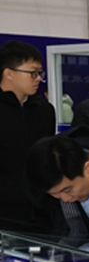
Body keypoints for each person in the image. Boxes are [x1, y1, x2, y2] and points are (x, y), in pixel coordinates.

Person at [0, 41, 56, 232]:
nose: (38, 79)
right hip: (5, 211)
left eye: (40, 73)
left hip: (41, 211)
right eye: (32, 73)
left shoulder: (45, 110)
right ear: (9, 73)